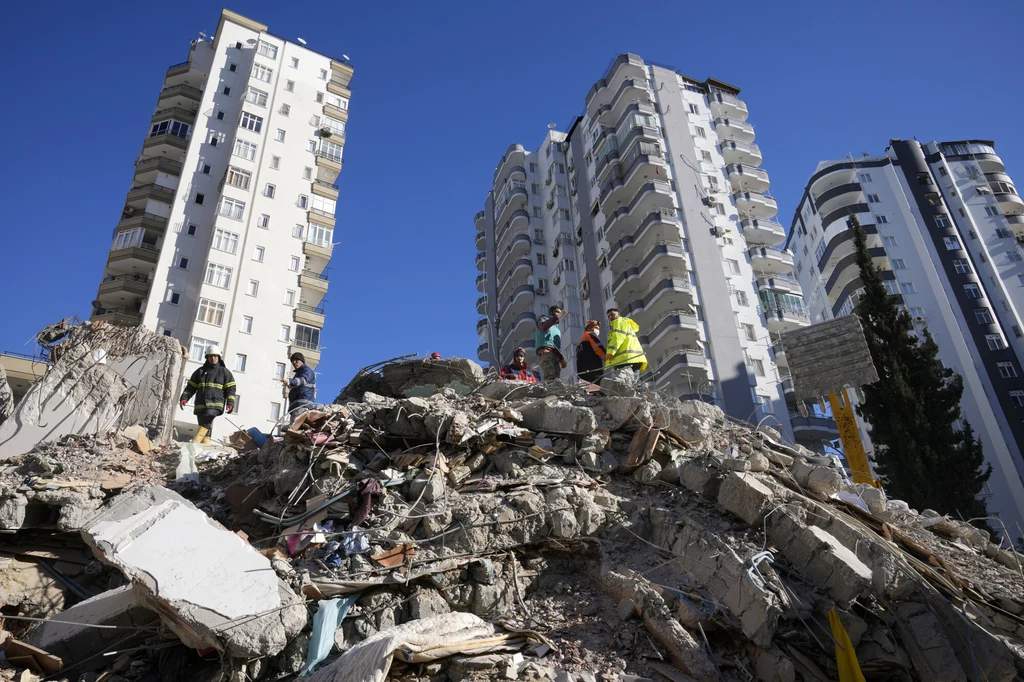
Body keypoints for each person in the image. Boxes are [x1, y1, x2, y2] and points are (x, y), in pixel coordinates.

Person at [179, 345, 236, 444]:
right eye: (210, 356)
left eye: (215, 356)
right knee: (205, 425)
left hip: (215, 405)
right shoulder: (200, 372)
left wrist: (230, 402)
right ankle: (205, 447)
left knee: (206, 421)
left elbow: (231, 389)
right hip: (201, 405)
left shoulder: (225, 372)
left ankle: (194, 443)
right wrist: (184, 398)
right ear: (207, 357)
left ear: (219, 357)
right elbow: (190, 387)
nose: (212, 358)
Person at [604, 309, 648, 385]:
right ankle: (640, 389)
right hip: (635, 358)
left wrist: (611, 352)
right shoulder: (625, 323)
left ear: (619, 315)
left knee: (625, 381)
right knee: (634, 379)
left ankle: (637, 390)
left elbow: (618, 337)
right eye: (608, 316)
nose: (610, 317)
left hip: (625, 359)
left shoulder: (619, 322)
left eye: (612, 314)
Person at [535, 306, 566, 382]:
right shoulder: (543, 319)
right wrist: (556, 317)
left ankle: (555, 393)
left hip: (555, 354)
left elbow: (557, 345)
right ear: (550, 312)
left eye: (559, 312)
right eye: (557, 312)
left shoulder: (557, 329)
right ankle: (550, 393)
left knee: (556, 379)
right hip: (545, 351)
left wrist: (561, 358)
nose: (559, 314)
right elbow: (544, 326)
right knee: (550, 375)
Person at [280, 352, 316, 417]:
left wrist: (290, 381)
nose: (294, 362)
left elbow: (302, 380)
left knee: (296, 426)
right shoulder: (298, 373)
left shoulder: (306, 370)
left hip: (302, 406)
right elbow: (299, 386)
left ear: (301, 360)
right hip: (297, 407)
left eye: (296, 360)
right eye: (293, 361)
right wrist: (290, 385)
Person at [576, 320, 606, 384]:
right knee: (597, 389)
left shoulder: (580, 340)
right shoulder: (590, 335)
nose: (597, 330)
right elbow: (598, 348)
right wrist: (608, 359)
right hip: (593, 368)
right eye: (596, 328)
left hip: (582, 371)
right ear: (590, 328)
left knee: (589, 391)